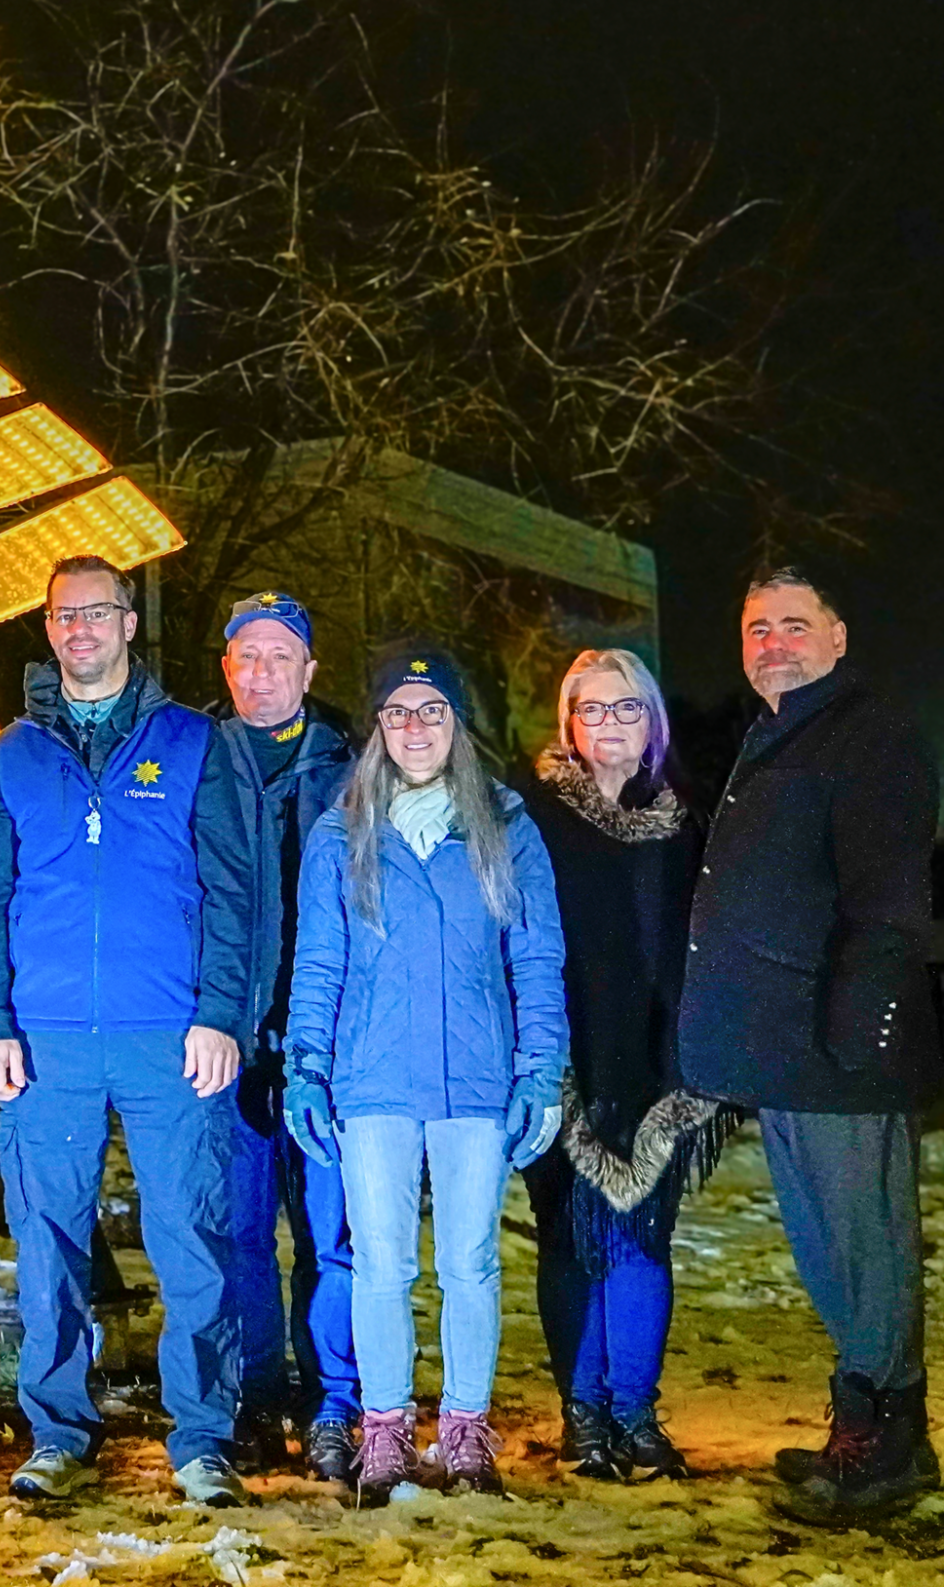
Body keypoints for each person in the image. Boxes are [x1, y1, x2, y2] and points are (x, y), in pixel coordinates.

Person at [0, 555, 256, 1508]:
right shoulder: (12, 755)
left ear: (131, 625)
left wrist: (219, 1014)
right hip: (46, 1040)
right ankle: (58, 1430)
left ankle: (204, 1436)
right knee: (46, 1242)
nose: (80, 628)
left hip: (169, 1035)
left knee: (191, 1237)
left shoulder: (194, 743)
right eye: (63, 615)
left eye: (99, 612)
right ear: (48, 631)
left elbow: (231, 894)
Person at [678, 567, 943, 1521]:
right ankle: (860, 1426)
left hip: (842, 1054)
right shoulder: (781, 734)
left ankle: (891, 1448)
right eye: (756, 629)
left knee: (866, 1252)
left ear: (838, 636)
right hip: (788, 1050)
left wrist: (858, 1029)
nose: (772, 644)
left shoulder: (869, 738)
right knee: (831, 1255)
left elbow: (889, 905)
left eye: (794, 625)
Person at [286, 644, 567, 1504]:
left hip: (476, 1082)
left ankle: (467, 1431)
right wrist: (305, 1066)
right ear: (377, 729)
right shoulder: (342, 832)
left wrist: (541, 1069)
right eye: (399, 712)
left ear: (456, 724)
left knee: (473, 1264)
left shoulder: (507, 828)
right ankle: (383, 1433)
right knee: (379, 1266)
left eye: (432, 710)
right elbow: (320, 964)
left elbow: (537, 956)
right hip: (372, 1081)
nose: (415, 727)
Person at [520, 650, 737, 1482]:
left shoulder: (683, 822)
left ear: (653, 724)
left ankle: (635, 1413)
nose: (611, 724)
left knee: (643, 1242)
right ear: (569, 723)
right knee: (569, 1240)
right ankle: (583, 1416)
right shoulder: (533, 817)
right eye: (594, 710)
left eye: (627, 710)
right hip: (562, 1053)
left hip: (658, 1060)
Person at [212, 592, 360, 1481]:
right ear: (226, 669)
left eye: (279, 657)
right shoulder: (189, 761)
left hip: (330, 1046)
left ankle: (336, 1400)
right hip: (222, 1043)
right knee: (234, 1233)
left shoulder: (356, 769)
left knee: (332, 1237)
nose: (262, 673)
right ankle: (254, 1396)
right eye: (246, 657)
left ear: (309, 672)